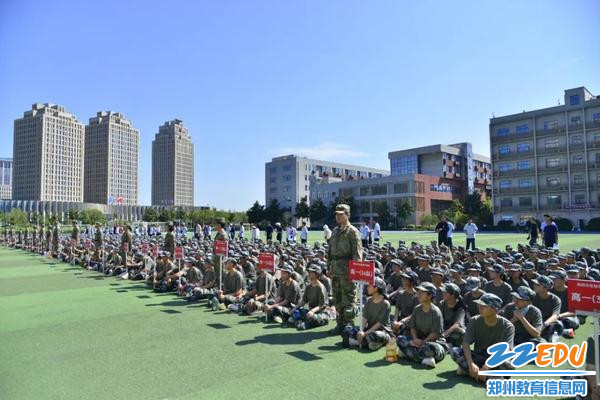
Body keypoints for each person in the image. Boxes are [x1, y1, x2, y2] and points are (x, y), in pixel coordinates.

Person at [450, 293, 515, 382]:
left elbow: (506, 350)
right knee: (455, 351)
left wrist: (487, 366)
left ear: (495, 309)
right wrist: (471, 364)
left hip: (495, 358)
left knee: (507, 364)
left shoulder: (508, 326)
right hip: (479, 356)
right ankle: (488, 377)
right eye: (479, 305)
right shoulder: (474, 321)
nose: (480, 308)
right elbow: (466, 343)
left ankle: (469, 371)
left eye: (484, 306)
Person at [328, 204, 363, 335]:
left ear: (348, 215)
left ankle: (349, 325)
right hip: (335, 270)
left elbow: (357, 254)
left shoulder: (353, 232)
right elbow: (330, 251)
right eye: (337, 214)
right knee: (337, 299)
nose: (338, 217)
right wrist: (328, 266)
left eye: (341, 214)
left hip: (347, 271)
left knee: (348, 299)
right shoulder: (335, 231)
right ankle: (340, 323)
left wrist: (356, 272)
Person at [396, 282, 447, 368]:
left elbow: (435, 334)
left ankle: (408, 354)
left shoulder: (436, 312)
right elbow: (412, 327)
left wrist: (423, 342)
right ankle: (424, 359)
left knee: (431, 347)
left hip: (432, 343)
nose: (418, 295)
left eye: (422, 293)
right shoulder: (417, 309)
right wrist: (415, 339)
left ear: (429, 296)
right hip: (418, 341)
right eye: (418, 292)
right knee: (400, 339)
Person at [342, 277, 391, 351]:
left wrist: (365, 334)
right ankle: (366, 342)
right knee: (347, 330)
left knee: (375, 335)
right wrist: (361, 331)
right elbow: (365, 318)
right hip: (369, 329)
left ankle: (360, 342)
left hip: (381, 331)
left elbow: (379, 324)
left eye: (369, 286)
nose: (367, 287)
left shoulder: (385, 304)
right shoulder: (369, 301)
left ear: (376, 288)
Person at [291, 264, 331, 330]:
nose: (309, 273)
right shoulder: (308, 287)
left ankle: (304, 323)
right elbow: (304, 301)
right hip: (310, 311)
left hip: (321, 313)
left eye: (311, 272)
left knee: (312, 317)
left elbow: (321, 306)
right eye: (309, 272)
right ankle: (300, 322)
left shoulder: (321, 288)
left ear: (316, 274)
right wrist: (295, 307)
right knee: (296, 312)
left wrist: (312, 311)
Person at [549, 270, 580, 338]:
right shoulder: (549, 291)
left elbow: (573, 312)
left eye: (555, 279)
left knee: (569, 321)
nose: (552, 281)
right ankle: (564, 331)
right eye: (552, 279)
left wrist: (559, 316)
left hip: (566, 317)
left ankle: (561, 330)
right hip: (552, 316)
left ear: (563, 280)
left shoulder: (571, 292)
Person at [532, 275, 563, 342]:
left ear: (545, 288)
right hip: (534, 321)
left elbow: (555, 315)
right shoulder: (532, 296)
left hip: (546, 322)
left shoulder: (555, 299)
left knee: (557, 324)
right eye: (534, 284)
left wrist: (544, 325)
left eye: (537, 285)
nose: (534, 286)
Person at [440, 283, 467, 347]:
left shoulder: (460, 307)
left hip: (454, 330)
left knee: (461, 332)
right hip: (444, 327)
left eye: (445, 293)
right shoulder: (442, 303)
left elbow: (457, 324)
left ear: (452, 295)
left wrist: (444, 334)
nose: (443, 294)